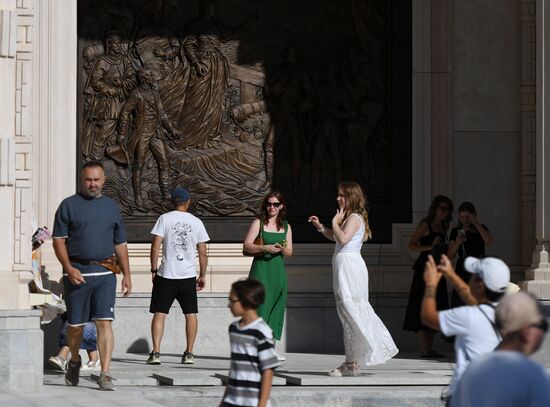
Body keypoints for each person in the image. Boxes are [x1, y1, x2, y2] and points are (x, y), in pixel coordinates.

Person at [52, 161, 132, 391]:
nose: (93, 184)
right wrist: (68, 267)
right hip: (78, 274)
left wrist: (127, 274)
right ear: (82, 180)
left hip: (106, 273)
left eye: (97, 180)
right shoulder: (68, 206)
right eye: (89, 180)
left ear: (103, 180)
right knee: (75, 326)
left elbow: (121, 243)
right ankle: (74, 360)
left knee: (104, 322)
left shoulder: (111, 207)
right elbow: (58, 240)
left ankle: (105, 373)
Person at [308, 181, 398, 376]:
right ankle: (352, 361)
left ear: (351, 197)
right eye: (338, 194)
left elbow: (343, 239)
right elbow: (337, 237)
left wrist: (334, 221)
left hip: (350, 267)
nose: (338, 198)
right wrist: (322, 227)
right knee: (348, 312)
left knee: (352, 311)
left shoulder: (355, 218)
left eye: (342, 195)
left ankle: (353, 361)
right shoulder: (350, 218)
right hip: (345, 266)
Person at [421, 254, 510, 405]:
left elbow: (427, 317)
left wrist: (431, 284)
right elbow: (477, 302)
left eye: (473, 276)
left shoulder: (469, 316)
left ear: (480, 285)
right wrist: (450, 274)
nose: (469, 280)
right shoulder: (508, 314)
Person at [451, 292, 550, 407]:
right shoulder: (532, 374)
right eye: (542, 326)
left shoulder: (473, 368)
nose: (544, 333)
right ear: (526, 331)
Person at [147, 187, 209, 365]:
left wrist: (153, 270)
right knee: (190, 313)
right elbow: (203, 252)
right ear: (188, 202)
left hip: (166, 273)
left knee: (160, 313)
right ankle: (189, 353)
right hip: (188, 275)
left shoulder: (164, 219)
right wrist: (203, 274)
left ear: (173, 202)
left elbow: (155, 247)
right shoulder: (196, 222)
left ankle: (156, 352)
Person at [117, 69, 182, 206]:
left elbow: (162, 114)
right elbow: (125, 113)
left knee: (164, 162)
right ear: (144, 79)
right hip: (142, 132)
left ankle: (166, 195)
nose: (153, 79)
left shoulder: (155, 94)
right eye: (150, 76)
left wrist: (171, 130)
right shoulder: (136, 94)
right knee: (139, 163)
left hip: (155, 131)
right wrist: (122, 133)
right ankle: (138, 197)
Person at [403, 195, 453, 358]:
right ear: (436, 209)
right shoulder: (426, 224)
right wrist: (429, 247)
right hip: (425, 268)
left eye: (448, 210)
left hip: (438, 268)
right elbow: (411, 244)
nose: (445, 212)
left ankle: (429, 348)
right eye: (442, 209)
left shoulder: (444, 226)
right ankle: (425, 348)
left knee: (436, 305)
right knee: (422, 303)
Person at [243, 192, 293, 354]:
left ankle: (268, 348)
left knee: (275, 308)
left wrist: (282, 247)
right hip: (261, 270)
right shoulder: (258, 223)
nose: (272, 207)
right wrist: (265, 248)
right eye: (269, 204)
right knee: (260, 307)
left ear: (281, 206)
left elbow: (289, 252)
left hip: (277, 271)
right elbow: (247, 246)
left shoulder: (286, 226)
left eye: (276, 204)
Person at [220, 278, 280, 407]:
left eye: (232, 301)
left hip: (252, 402)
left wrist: (262, 404)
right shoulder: (234, 329)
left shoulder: (262, 332)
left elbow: (268, 371)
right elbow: (235, 369)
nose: (229, 305)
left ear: (246, 301)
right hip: (232, 400)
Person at [447, 202, 493, 307]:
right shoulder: (455, 231)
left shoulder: (480, 228)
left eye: (468, 217)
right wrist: (457, 244)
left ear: (473, 215)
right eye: (462, 217)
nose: (465, 220)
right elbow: (450, 255)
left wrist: (476, 223)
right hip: (462, 267)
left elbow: (489, 240)